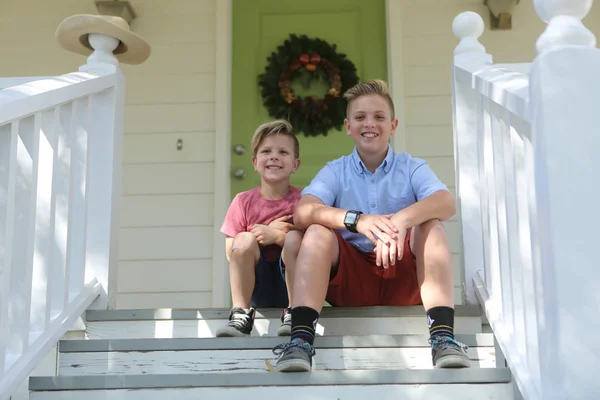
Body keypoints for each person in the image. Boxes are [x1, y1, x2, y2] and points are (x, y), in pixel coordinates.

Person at [272, 80, 471, 371]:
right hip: (351, 282)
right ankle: (300, 342)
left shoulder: (411, 167)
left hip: (405, 277)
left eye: (379, 117)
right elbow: (303, 212)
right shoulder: (336, 170)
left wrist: (402, 219)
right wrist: (356, 220)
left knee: (431, 226)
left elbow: (446, 202)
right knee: (315, 231)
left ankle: (443, 338)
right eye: (360, 117)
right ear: (347, 126)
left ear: (393, 125)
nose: (370, 124)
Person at [217, 119, 301, 338]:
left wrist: (276, 236)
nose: (274, 156)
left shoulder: (303, 201)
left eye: (283, 152)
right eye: (266, 151)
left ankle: (296, 313)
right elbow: (231, 251)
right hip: (256, 283)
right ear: (255, 162)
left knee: (295, 239)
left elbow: (312, 249)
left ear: (295, 164)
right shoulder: (243, 201)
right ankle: (241, 314)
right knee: (243, 239)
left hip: (295, 285)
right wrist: (260, 235)